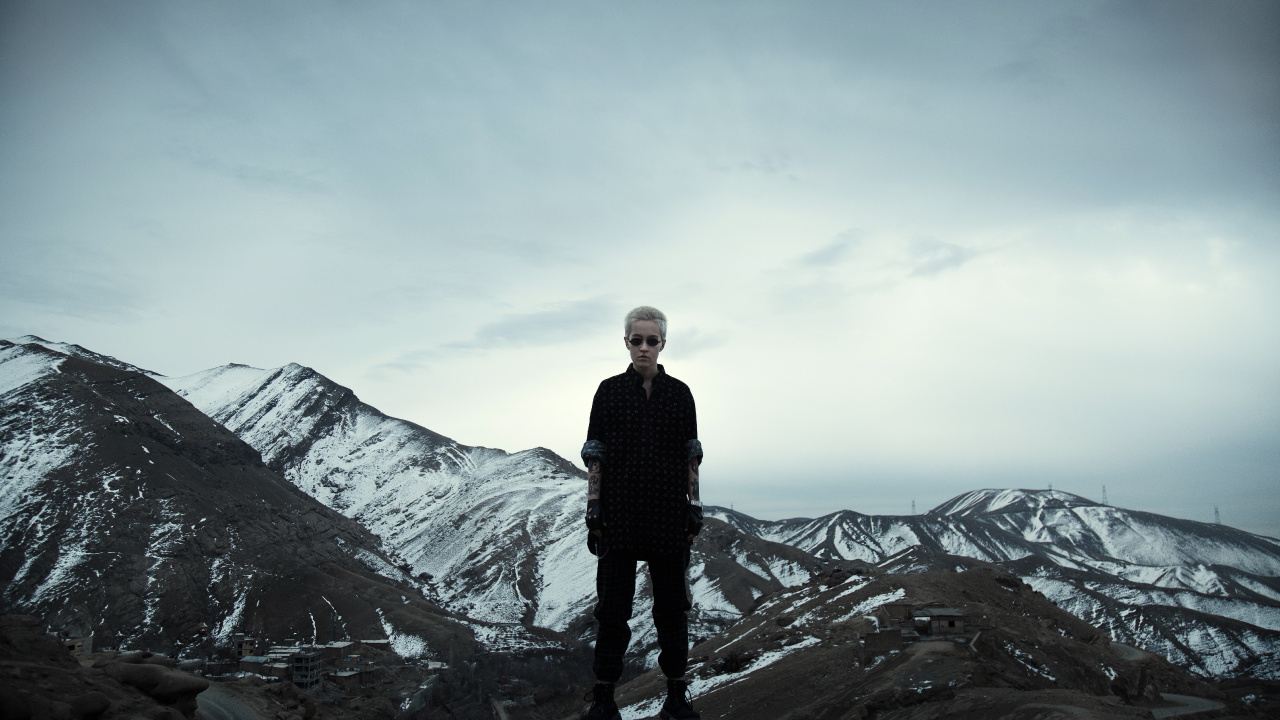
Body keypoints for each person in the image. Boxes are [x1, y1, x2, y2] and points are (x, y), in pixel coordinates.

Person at [580, 306, 703, 720]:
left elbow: (692, 456)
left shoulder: (680, 393)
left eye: (652, 340)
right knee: (612, 610)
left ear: (663, 343)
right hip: (618, 515)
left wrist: (694, 507)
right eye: (637, 340)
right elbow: (595, 452)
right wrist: (594, 508)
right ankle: (603, 699)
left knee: (672, 610)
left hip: (669, 514)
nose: (644, 348)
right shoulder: (609, 391)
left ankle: (676, 697)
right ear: (627, 342)